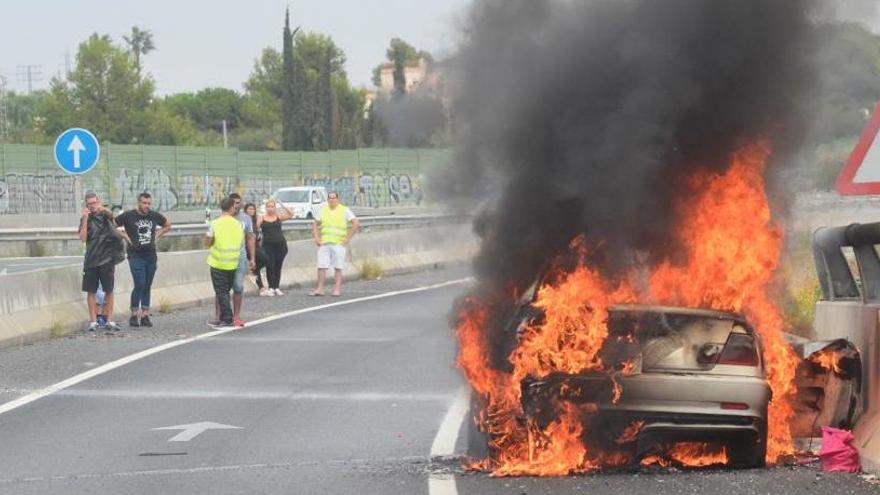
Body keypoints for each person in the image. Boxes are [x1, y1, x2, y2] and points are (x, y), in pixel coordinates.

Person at [115, 192, 172, 328]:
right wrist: (124, 236)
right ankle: (134, 314)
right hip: (135, 255)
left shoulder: (153, 215)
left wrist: (157, 235)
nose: (146, 206)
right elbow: (113, 225)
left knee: (147, 284)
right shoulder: (128, 215)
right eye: (144, 203)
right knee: (139, 283)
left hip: (150, 255)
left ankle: (145, 314)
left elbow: (168, 225)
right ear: (138, 203)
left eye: (148, 203)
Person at [78, 192, 126, 332]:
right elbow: (82, 238)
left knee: (109, 290)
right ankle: (93, 321)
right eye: (89, 204)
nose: (92, 206)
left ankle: (109, 320)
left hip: (107, 258)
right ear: (86, 205)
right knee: (91, 291)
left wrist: (105, 210)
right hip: (91, 260)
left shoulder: (105, 214)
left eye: (94, 203)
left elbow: (115, 219)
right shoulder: (85, 218)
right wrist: (86, 219)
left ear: (98, 201)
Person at [214, 193, 255, 327]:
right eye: (234, 203)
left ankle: (236, 316)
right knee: (221, 288)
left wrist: (252, 258)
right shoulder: (221, 219)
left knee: (238, 286)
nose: (237, 205)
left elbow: (250, 238)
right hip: (223, 258)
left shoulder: (245, 219)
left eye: (239, 202)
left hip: (239, 257)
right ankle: (219, 316)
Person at [205, 197, 245, 329]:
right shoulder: (238, 224)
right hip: (233, 262)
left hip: (218, 262)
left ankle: (227, 319)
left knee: (221, 292)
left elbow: (207, 241)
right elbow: (240, 242)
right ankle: (223, 318)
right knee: (225, 291)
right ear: (232, 207)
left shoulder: (215, 223)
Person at [311, 190, 359, 297]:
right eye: (330, 198)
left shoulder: (344, 210)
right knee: (321, 266)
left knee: (338, 267)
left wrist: (347, 238)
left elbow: (355, 222)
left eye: (334, 198)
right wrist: (317, 238)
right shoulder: (323, 210)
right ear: (327, 200)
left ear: (338, 199)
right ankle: (320, 289)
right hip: (325, 243)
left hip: (338, 243)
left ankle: (337, 289)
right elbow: (315, 223)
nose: (332, 200)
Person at [257, 198, 293, 296]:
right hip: (268, 245)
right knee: (270, 265)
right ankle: (271, 287)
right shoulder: (262, 217)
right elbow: (255, 229)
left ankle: (277, 287)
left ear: (275, 207)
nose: (270, 208)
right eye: (268, 206)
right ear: (265, 207)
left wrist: (281, 203)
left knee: (278, 265)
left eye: (272, 206)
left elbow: (290, 214)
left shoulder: (278, 216)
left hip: (280, 244)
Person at [244, 203, 269, 295]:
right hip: (248, 247)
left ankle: (253, 273)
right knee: (262, 260)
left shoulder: (255, 221)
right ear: (245, 210)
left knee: (264, 261)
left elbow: (258, 235)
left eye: (253, 209)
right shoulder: (244, 221)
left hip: (257, 245)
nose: (251, 211)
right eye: (249, 209)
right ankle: (261, 287)